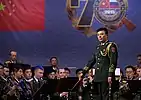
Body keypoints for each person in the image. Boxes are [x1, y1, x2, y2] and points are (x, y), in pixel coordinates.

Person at [82, 27, 118, 100]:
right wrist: (83, 72)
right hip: (98, 76)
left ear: (107, 35)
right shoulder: (98, 47)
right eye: (98, 35)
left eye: (102, 34)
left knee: (106, 97)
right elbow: (92, 61)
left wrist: (110, 74)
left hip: (106, 76)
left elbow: (113, 62)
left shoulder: (111, 46)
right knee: (98, 97)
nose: (100, 36)